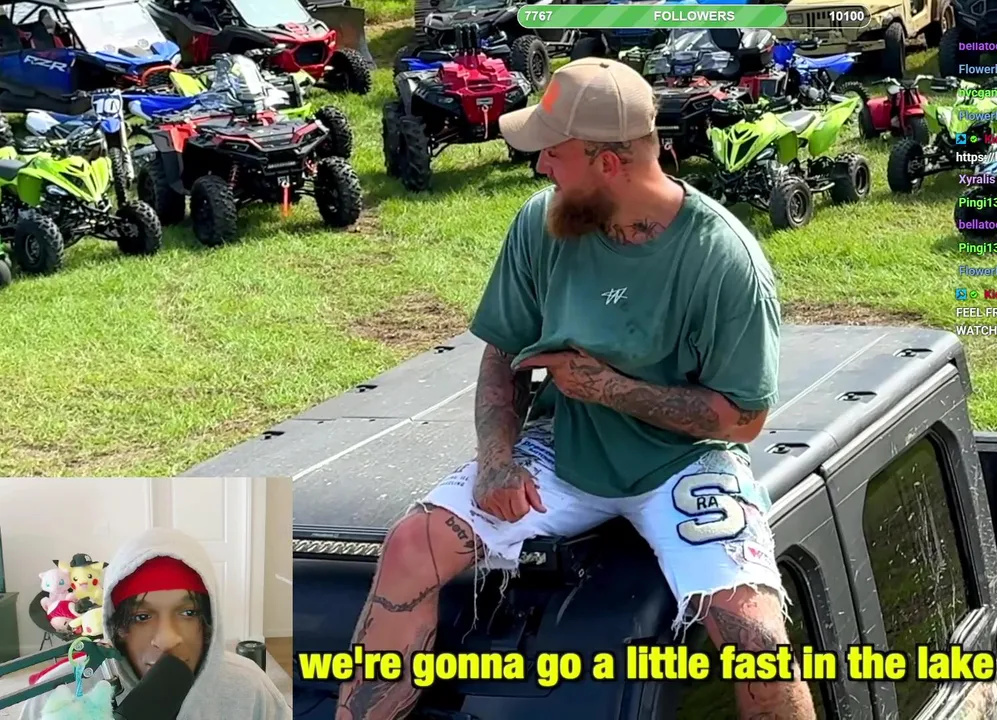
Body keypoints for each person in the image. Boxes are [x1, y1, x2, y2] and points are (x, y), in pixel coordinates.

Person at [335, 58, 816, 720]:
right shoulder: (542, 223)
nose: (539, 167)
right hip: (562, 447)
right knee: (410, 546)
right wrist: (496, 461)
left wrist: (608, 388)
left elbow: (742, 420)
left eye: (553, 153)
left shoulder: (724, 260)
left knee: (755, 636)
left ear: (607, 163)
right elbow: (502, 355)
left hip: (682, 463)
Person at [19, 527, 291, 720]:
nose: (167, 639)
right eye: (142, 617)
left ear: (209, 620)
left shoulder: (249, 689)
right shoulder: (59, 697)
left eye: (188, 613)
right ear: (115, 626)